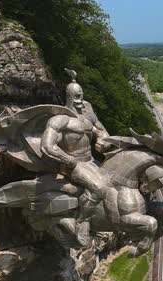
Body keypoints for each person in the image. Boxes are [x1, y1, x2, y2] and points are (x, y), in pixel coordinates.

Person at [40, 69, 111, 245]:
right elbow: (47, 146)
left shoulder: (88, 111)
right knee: (99, 188)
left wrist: (103, 140)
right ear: (70, 97)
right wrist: (68, 161)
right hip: (72, 163)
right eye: (77, 96)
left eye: (82, 95)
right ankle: (82, 223)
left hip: (90, 160)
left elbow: (101, 130)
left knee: (115, 181)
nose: (80, 100)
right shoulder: (60, 119)